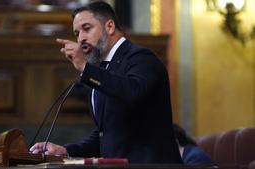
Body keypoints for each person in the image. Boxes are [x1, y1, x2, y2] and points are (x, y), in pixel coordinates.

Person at [30, 1, 182, 164]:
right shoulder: (101, 72)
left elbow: (133, 92)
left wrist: (85, 68)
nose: (81, 38)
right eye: (76, 33)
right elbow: (106, 135)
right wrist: (66, 150)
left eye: (86, 28)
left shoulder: (141, 58)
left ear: (109, 27)